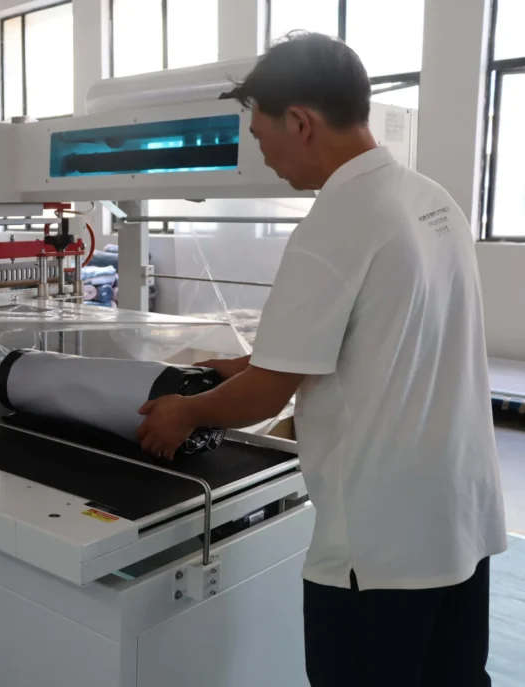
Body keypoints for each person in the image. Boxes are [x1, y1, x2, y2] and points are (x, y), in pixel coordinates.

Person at [136, 32, 506, 686]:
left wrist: (183, 413)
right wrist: (239, 365)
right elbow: (385, 335)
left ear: (301, 123)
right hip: (460, 523)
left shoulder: (334, 222)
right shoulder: (432, 201)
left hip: (379, 553)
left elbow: (265, 396)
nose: (264, 154)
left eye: (260, 135)